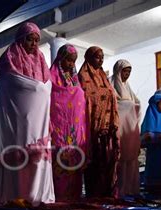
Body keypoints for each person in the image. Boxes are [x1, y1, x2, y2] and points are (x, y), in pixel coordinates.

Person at [0, 22, 54, 207]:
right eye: (30, 39)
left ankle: (36, 193)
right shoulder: (10, 57)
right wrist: (36, 89)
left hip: (38, 119)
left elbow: (47, 84)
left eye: (37, 40)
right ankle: (17, 193)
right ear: (21, 38)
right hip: (18, 117)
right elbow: (13, 84)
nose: (34, 43)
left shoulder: (41, 59)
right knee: (20, 150)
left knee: (37, 152)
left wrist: (40, 89)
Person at [79, 46, 120, 198]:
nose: (101, 59)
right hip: (92, 129)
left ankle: (107, 194)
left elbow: (111, 98)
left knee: (107, 161)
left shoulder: (103, 77)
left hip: (107, 128)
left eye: (102, 57)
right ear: (89, 58)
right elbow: (85, 101)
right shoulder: (83, 77)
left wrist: (110, 122)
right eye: (97, 56)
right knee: (94, 165)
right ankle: (94, 195)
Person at [49, 44, 88, 201]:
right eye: (68, 60)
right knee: (60, 161)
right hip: (58, 128)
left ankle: (74, 196)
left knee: (74, 160)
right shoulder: (51, 78)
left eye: (73, 61)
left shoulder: (74, 80)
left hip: (74, 128)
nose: (71, 64)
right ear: (60, 58)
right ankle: (60, 196)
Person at [109, 59, 141, 196]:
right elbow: (112, 103)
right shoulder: (110, 83)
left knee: (131, 158)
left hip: (130, 129)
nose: (127, 74)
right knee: (120, 157)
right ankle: (119, 189)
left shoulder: (127, 86)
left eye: (129, 72)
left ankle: (129, 188)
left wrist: (131, 106)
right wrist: (127, 106)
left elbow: (136, 102)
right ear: (118, 71)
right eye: (125, 71)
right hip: (120, 127)